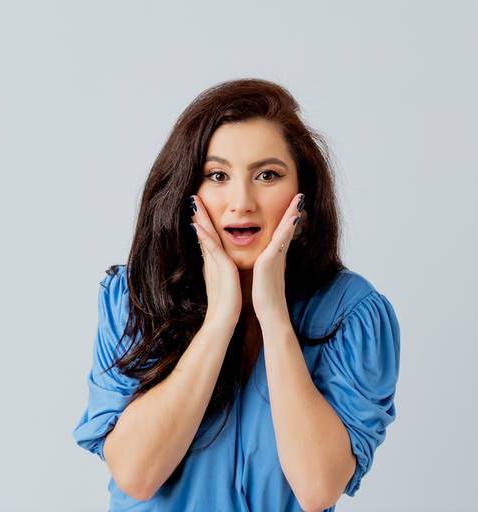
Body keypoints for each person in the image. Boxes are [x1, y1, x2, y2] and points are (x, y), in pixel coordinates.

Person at [72, 78, 401, 512]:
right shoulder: (137, 296)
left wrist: (274, 315)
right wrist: (219, 321)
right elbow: (136, 474)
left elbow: (317, 487)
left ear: (303, 201)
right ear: (187, 192)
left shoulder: (351, 314)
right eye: (218, 175)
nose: (241, 201)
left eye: (267, 175)